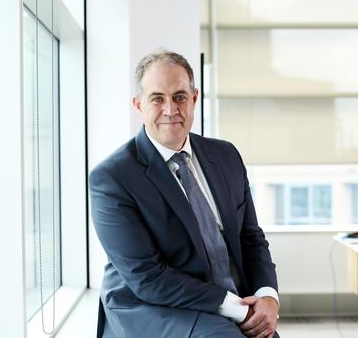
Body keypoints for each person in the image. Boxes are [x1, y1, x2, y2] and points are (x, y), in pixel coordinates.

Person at [90, 49, 279, 338]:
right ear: (138, 105)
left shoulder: (225, 156)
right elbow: (147, 277)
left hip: (225, 299)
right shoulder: (112, 178)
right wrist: (238, 308)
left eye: (179, 96)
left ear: (194, 98)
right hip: (152, 305)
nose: (170, 109)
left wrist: (267, 297)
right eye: (157, 99)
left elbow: (251, 238)